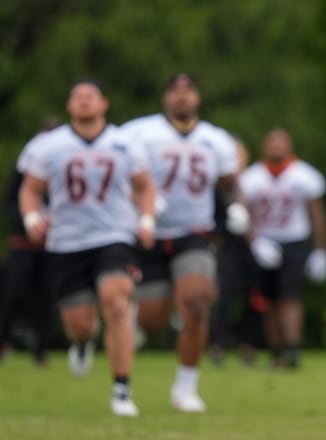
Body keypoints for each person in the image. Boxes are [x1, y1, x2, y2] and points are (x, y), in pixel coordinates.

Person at [18, 79, 156, 416]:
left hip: (114, 235)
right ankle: (82, 343)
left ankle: (122, 388)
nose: (83, 101)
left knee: (116, 301)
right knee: (80, 323)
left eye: (89, 96)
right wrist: (32, 218)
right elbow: (30, 189)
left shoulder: (124, 143)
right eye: (77, 96)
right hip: (67, 240)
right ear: (69, 106)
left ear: (103, 103)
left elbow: (144, 186)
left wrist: (147, 220)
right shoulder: (50, 146)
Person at [121, 73, 244, 412]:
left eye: (188, 90)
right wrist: (140, 202)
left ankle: (186, 387)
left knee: (196, 304)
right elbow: (120, 174)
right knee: (152, 321)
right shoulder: (138, 133)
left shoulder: (215, 139)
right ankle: (140, 317)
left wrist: (235, 208)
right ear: (164, 98)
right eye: (174, 91)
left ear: (198, 98)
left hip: (195, 232)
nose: (181, 97)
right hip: (150, 233)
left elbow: (229, 181)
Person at [239, 128, 326, 369]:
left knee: (290, 297)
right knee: (267, 299)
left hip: (294, 241)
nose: (276, 147)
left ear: (290, 145)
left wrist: (321, 249)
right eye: (272, 142)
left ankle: (292, 348)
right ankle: (277, 351)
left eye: (281, 142)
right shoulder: (253, 176)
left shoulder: (304, 175)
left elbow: (316, 213)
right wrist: (254, 242)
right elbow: (243, 213)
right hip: (265, 241)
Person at [0, 117, 60, 367]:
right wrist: (30, 223)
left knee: (48, 297)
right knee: (13, 294)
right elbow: (12, 200)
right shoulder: (27, 164)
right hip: (24, 243)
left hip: (54, 242)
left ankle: (41, 350)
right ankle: (4, 343)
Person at [208, 137, 263, 366]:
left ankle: (249, 345)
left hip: (255, 247)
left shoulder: (255, 180)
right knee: (224, 296)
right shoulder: (218, 185)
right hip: (227, 246)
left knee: (255, 297)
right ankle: (217, 345)